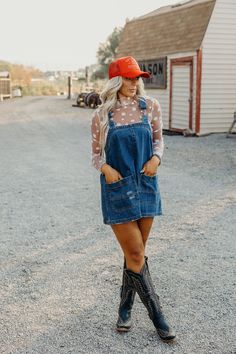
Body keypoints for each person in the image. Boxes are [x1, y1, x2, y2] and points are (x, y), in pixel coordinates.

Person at [90, 56, 176, 341]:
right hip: (118, 189)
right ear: (116, 80)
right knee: (137, 253)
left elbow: (159, 141)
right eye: (128, 78)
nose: (133, 83)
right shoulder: (103, 115)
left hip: (146, 184)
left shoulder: (150, 106)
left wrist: (156, 159)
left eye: (136, 78)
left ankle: (125, 308)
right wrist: (105, 168)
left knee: (133, 254)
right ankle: (158, 316)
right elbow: (94, 156)